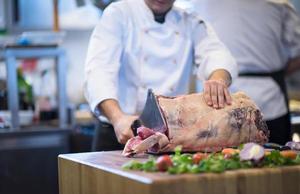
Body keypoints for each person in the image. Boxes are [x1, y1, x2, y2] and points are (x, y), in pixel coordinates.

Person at [84, 0, 237, 151]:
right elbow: (99, 70)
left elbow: (216, 54)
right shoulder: (119, 14)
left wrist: (218, 79)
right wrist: (117, 118)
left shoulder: (190, 20)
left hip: (169, 137)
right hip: (120, 131)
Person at [194, 0, 300, 145]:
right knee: (274, 160)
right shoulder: (280, 3)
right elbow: (297, 54)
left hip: (222, 103)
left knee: (223, 162)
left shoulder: (202, 3)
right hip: (265, 95)